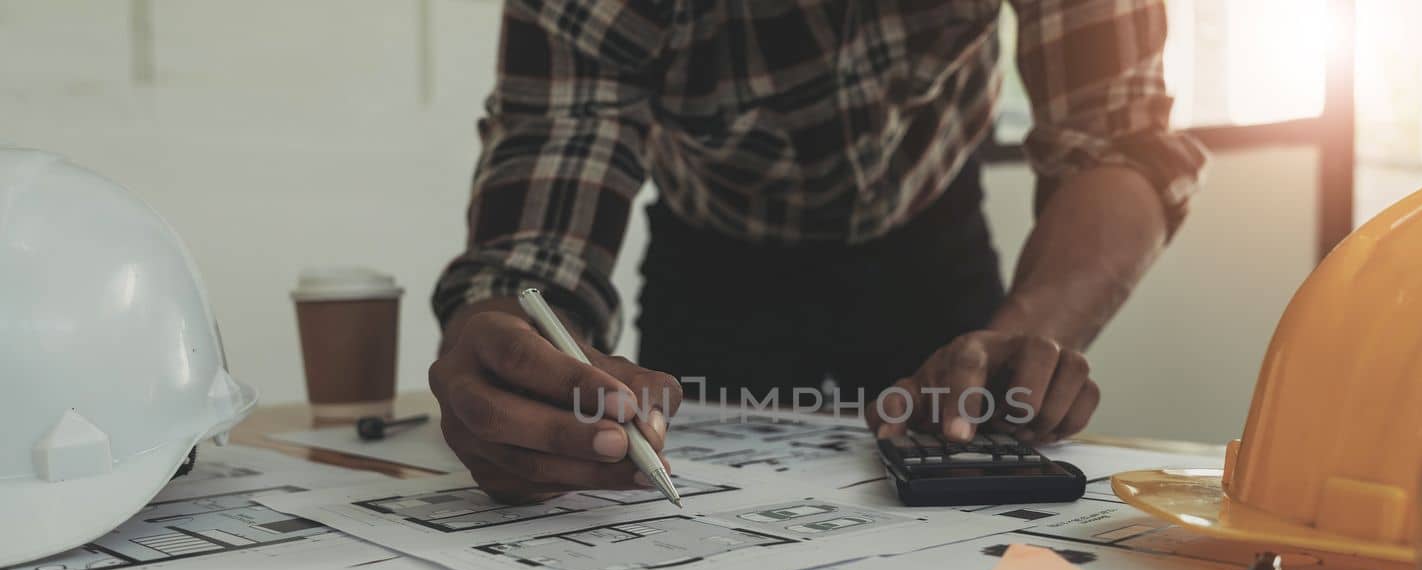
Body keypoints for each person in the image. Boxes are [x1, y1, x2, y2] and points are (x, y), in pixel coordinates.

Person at [428, 0, 1207, 502]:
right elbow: (543, 211)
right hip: (717, 263)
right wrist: (503, 346)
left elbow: (1119, 137)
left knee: (969, 484)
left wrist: (1035, 326)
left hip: (933, 240)